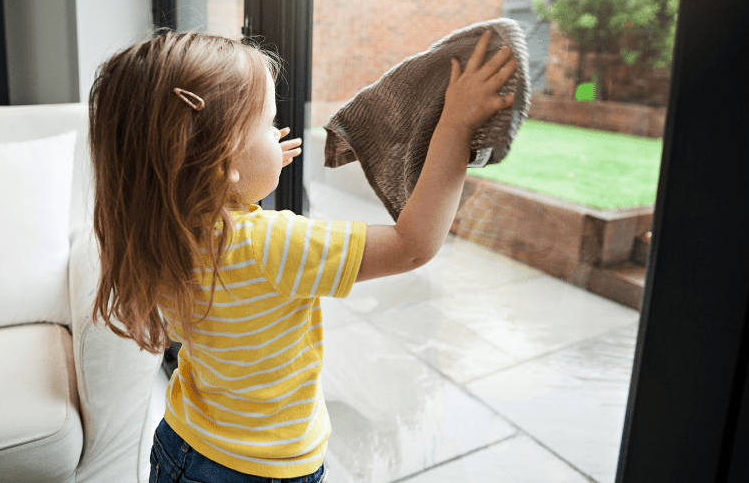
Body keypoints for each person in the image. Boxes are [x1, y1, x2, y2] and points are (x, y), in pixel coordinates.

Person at [88, 28, 515, 483]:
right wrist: (456, 125)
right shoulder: (271, 245)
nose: (279, 134)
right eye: (268, 125)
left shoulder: (157, 230)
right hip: (263, 470)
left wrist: (250, 170)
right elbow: (412, 246)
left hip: (184, 445)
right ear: (221, 161)